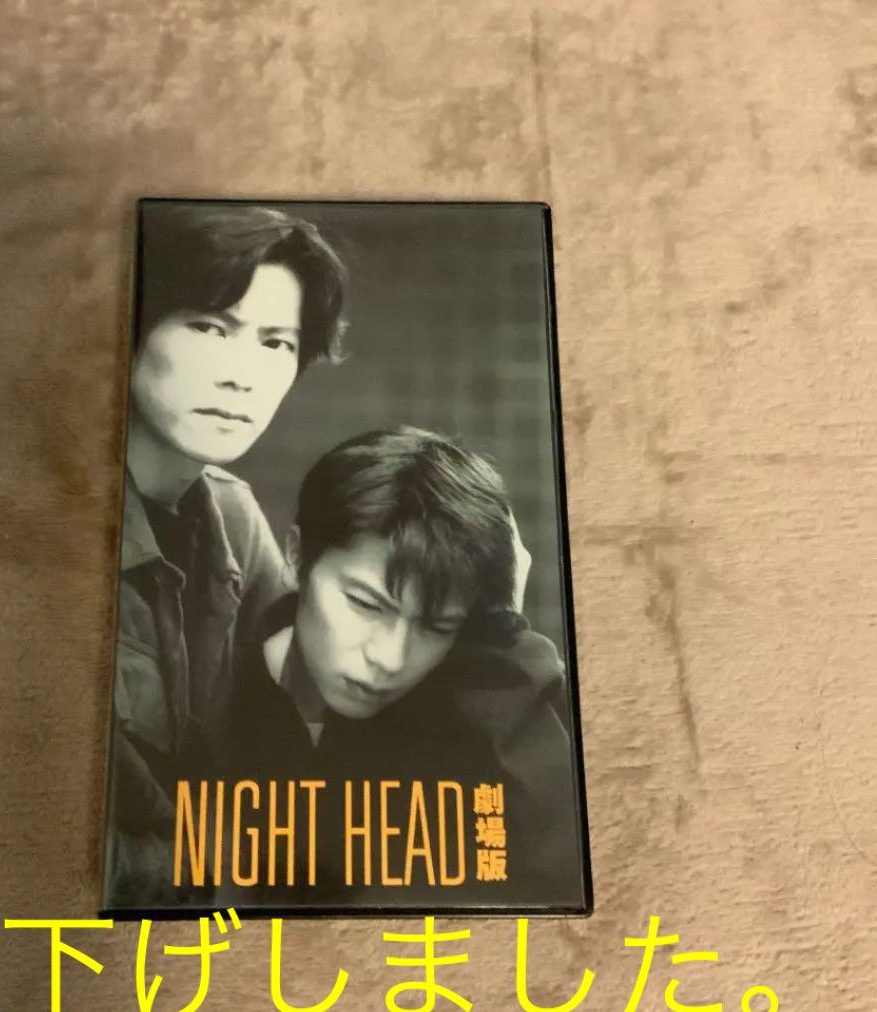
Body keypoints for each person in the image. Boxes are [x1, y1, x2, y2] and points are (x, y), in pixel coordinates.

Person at [219, 427, 584, 908]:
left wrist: (500, 636)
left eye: (436, 626)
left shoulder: (484, 711)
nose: (389, 659)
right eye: (365, 604)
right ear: (296, 555)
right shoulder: (210, 692)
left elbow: (563, 885)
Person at [104, 203, 348, 910]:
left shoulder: (233, 520)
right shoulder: (33, 522)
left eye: (276, 343)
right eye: (211, 327)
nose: (243, 376)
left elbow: (309, 766)